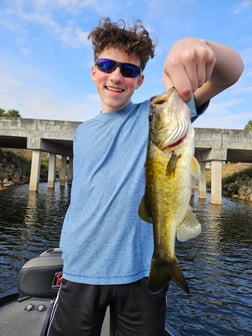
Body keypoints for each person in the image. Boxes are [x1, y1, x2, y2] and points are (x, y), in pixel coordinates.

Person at [47, 18, 244, 336]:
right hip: (81, 268)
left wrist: (198, 46)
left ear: (139, 80)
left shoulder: (156, 113)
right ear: (94, 70)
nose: (116, 76)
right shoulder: (81, 133)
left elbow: (230, 72)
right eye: (107, 65)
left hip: (143, 271)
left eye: (128, 70)